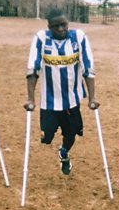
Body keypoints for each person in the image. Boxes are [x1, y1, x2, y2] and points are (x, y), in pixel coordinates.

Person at [24, 9, 99, 175]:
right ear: (49, 26)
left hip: (71, 100)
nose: (60, 29)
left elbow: (88, 68)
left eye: (63, 25)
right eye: (55, 26)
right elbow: (33, 69)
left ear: (68, 23)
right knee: (47, 137)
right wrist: (31, 99)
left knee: (71, 135)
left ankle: (64, 153)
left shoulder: (78, 37)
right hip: (49, 102)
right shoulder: (41, 39)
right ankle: (53, 140)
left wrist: (92, 98)